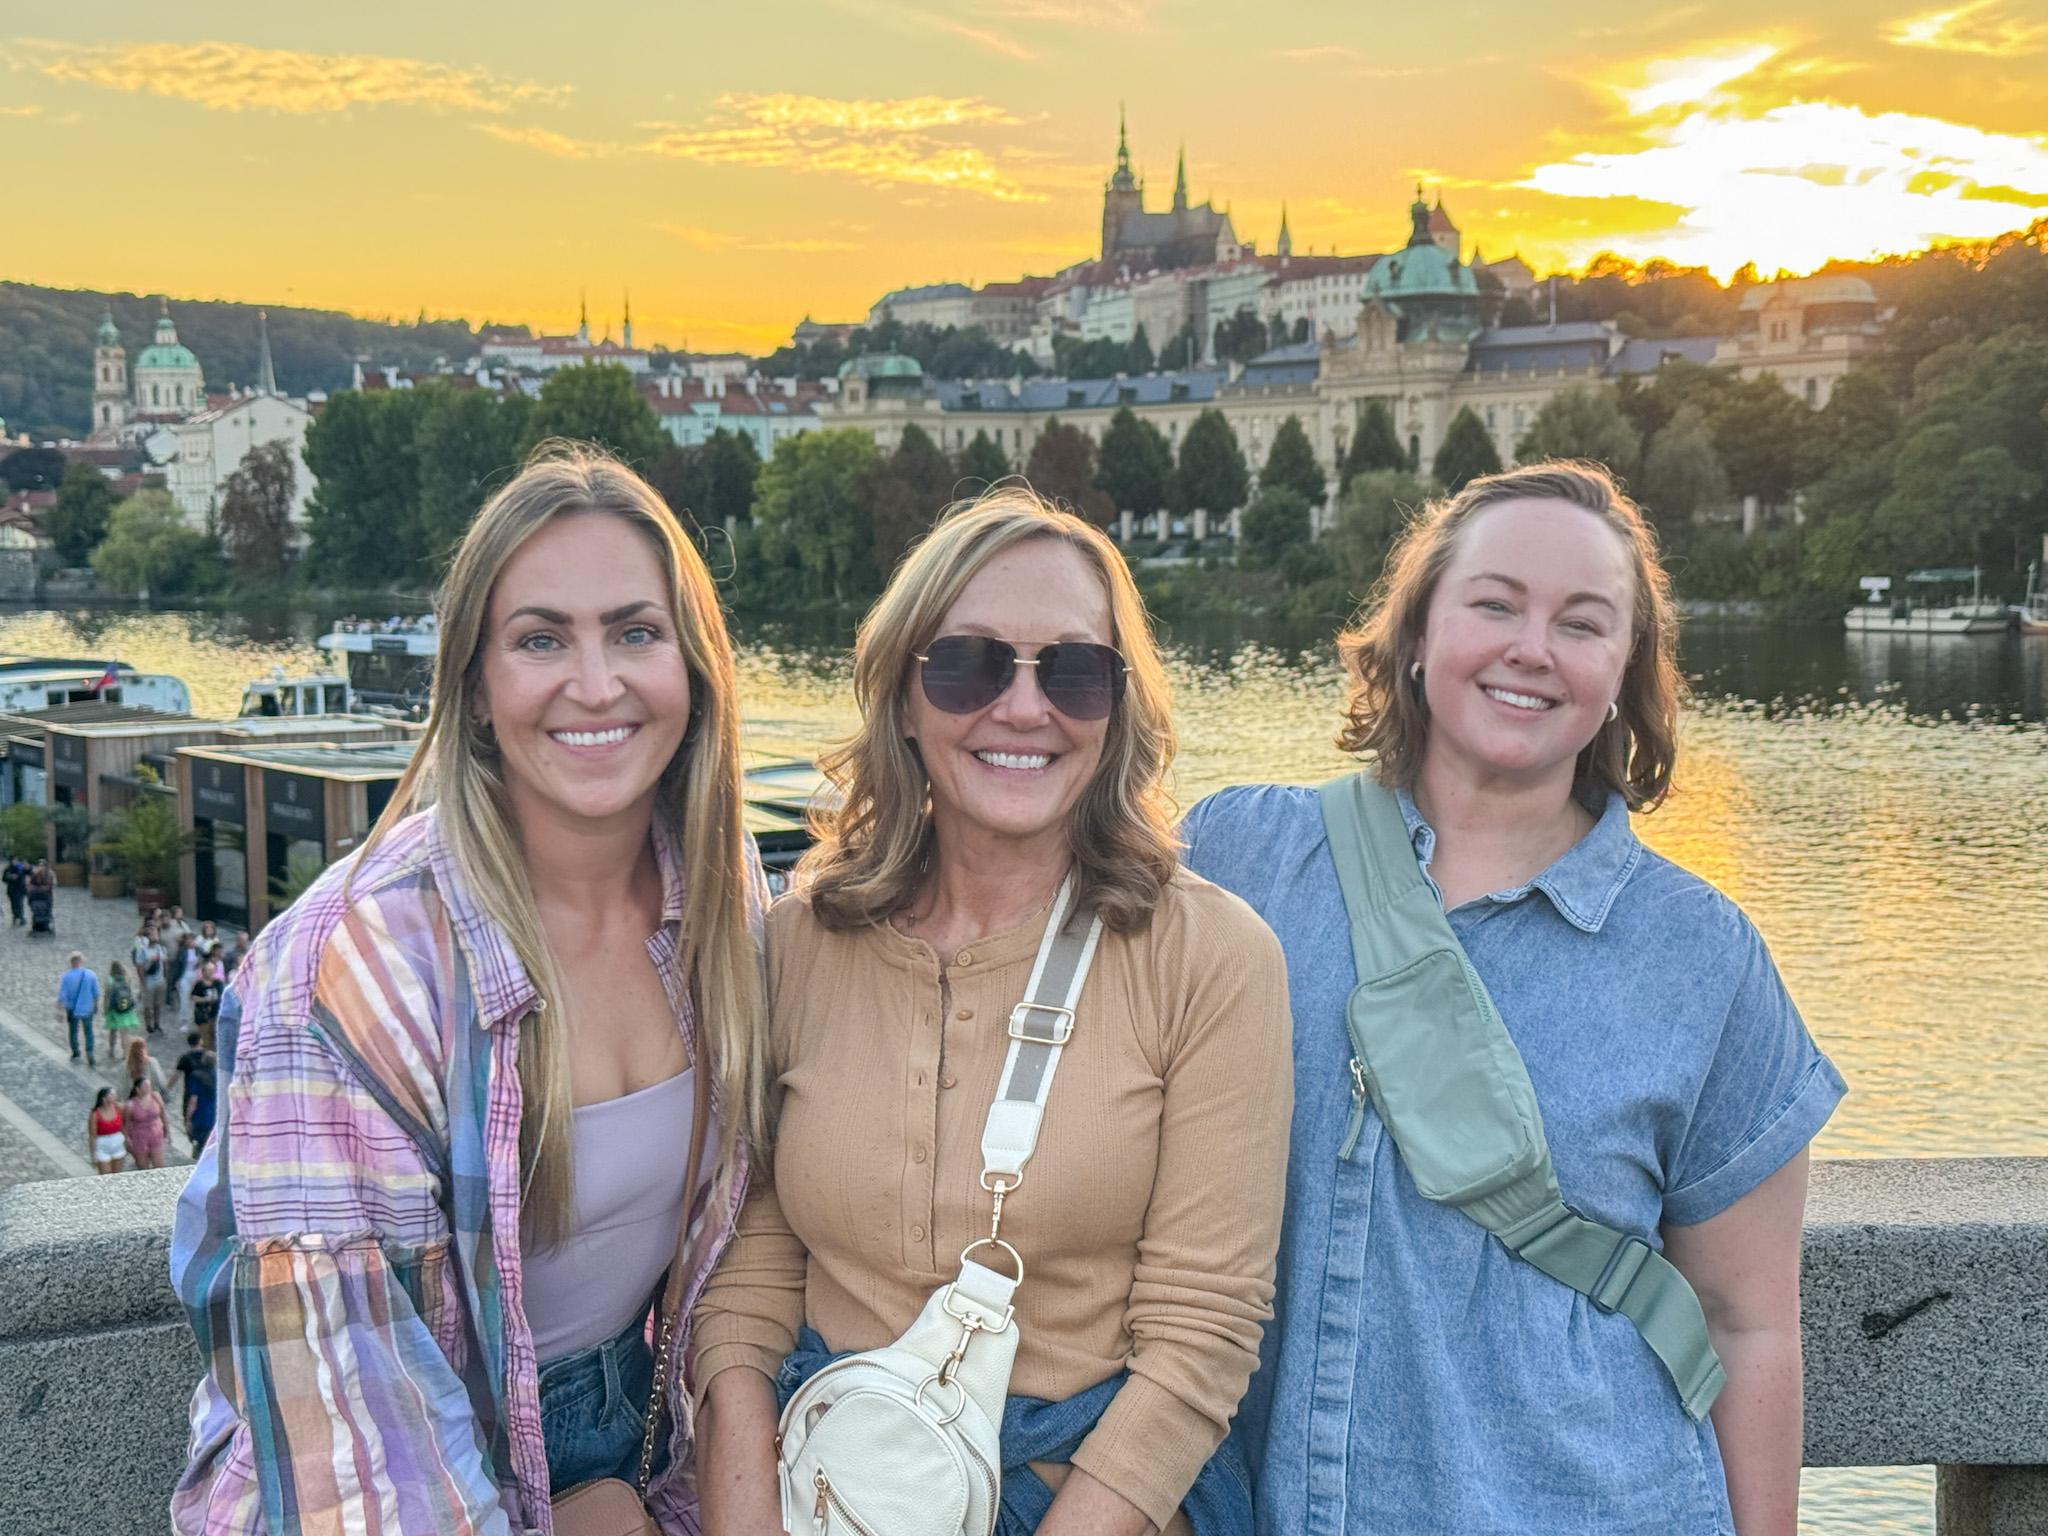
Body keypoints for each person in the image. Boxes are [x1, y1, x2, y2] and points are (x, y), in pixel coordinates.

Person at [1179, 464, 1846, 1536]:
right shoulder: (1238, 857)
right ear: (1415, 632)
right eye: (1492, 604)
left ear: (1624, 672)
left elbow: (1745, 1321)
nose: (1529, 648)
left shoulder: (1699, 957)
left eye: (1581, 624)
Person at [171, 446, 770, 1536]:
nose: (596, 684)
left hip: (649, 1438)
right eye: (541, 640)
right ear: (478, 690)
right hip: (390, 1454)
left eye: (636, 631)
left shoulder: (727, 896)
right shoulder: (350, 970)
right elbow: (357, 1453)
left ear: (694, 667)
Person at [693, 490, 1293, 1536]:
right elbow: (752, 1258)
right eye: (969, 664)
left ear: (1119, 705)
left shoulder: (1209, 956)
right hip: (826, 1471)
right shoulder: (799, 940)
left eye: (1072, 670)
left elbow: (1199, 1337)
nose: (1023, 709)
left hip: (1088, 1492)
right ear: (903, 695)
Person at [173, 1030, 216, 1154]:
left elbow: (193, 1100)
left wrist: (187, 1119)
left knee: (199, 1145)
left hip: (199, 1117)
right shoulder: (217, 1077)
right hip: (213, 1115)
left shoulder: (194, 1076)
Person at [57, 950, 100, 1066]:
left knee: (73, 1031)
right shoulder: (90, 974)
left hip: (72, 1009)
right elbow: (96, 992)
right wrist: (96, 1005)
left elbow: (62, 994)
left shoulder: (66, 977)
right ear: (81, 961)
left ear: (71, 962)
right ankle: (90, 1052)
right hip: (87, 1007)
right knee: (89, 1031)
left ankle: (75, 1051)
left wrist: (60, 1010)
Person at [123, 1073, 167, 1170]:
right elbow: (126, 1123)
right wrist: (127, 1138)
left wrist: (167, 1131)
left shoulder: (155, 1096)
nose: (149, 1088)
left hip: (155, 1133)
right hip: (139, 1136)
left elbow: (163, 1114)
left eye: (149, 1085)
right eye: (146, 1086)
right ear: (138, 1089)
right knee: (143, 1167)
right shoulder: (131, 1105)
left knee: (160, 1165)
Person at [102, 959, 141, 1065]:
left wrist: (105, 1009)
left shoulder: (110, 980)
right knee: (124, 1033)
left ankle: (111, 1049)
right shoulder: (126, 978)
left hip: (114, 1009)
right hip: (126, 1009)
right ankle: (125, 1053)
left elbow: (106, 997)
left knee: (113, 1031)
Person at [132, 920, 166, 1033]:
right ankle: (148, 1025)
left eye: (156, 933)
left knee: (158, 1004)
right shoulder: (142, 950)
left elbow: (162, 962)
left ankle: (157, 1023)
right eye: (153, 934)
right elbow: (140, 966)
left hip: (159, 980)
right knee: (148, 1006)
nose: (155, 936)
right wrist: (143, 981)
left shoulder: (159, 948)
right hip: (149, 981)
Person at [87, 1086, 125, 1174]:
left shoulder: (118, 1108)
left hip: (117, 1142)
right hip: (103, 1144)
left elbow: (123, 1125)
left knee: (118, 1173)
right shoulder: (95, 1114)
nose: (114, 1097)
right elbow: (92, 1135)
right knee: (105, 1174)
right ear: (104, 1098)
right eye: (111, 1095)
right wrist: (93, 1154)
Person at [187, 956, 223, 1051]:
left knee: (215, 1036)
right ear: (203, 972)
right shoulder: (199, 984)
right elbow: (192, 997)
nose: (210, 972)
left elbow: (222, 995)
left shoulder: (217, 983)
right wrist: (203, 999)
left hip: (215, 1013)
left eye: (212, 970)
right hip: (203, 1014)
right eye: (208, 970)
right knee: (205, 1037)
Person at [3, 853, 27, 925]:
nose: (15, 861)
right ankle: (15, 916)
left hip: (20, 889)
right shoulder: (8, 868)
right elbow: (4, 878)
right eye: (14, 860)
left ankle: (21, 917)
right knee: (13, 904)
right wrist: (10, 877)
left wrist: (17, 876)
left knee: (19, 903)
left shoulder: (20, 867)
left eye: (16, 860)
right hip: (12, 890)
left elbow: (23, 875)